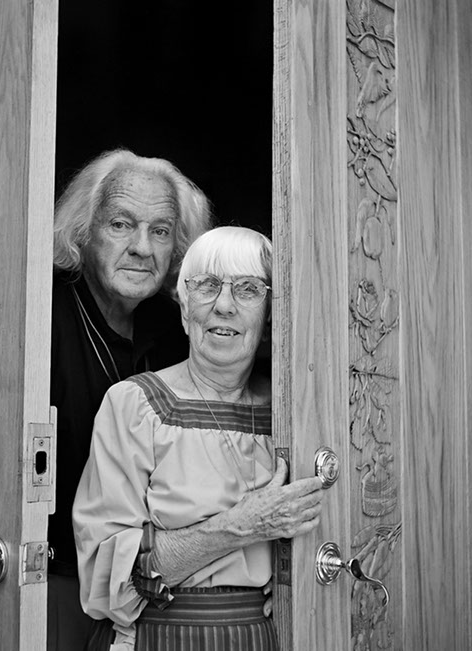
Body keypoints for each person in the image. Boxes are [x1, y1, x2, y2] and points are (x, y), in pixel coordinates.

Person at [73, 226, 325, 650]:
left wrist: (294, 587)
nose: (223, 305)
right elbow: (108, 578)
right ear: (185, 310)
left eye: (248, 289)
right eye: (207, 285)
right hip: (157, 637)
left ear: (270, 317)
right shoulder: (135, 405)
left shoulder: (298, 414)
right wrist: (239, 527)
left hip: (262, 638)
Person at [48, 149, 212, 651]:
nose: (141, 248)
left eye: (160, 231)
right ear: (84, 231)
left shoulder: (179, 326)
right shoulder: (43, 311)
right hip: (56, 581)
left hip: (159, 586)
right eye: (121, 224)